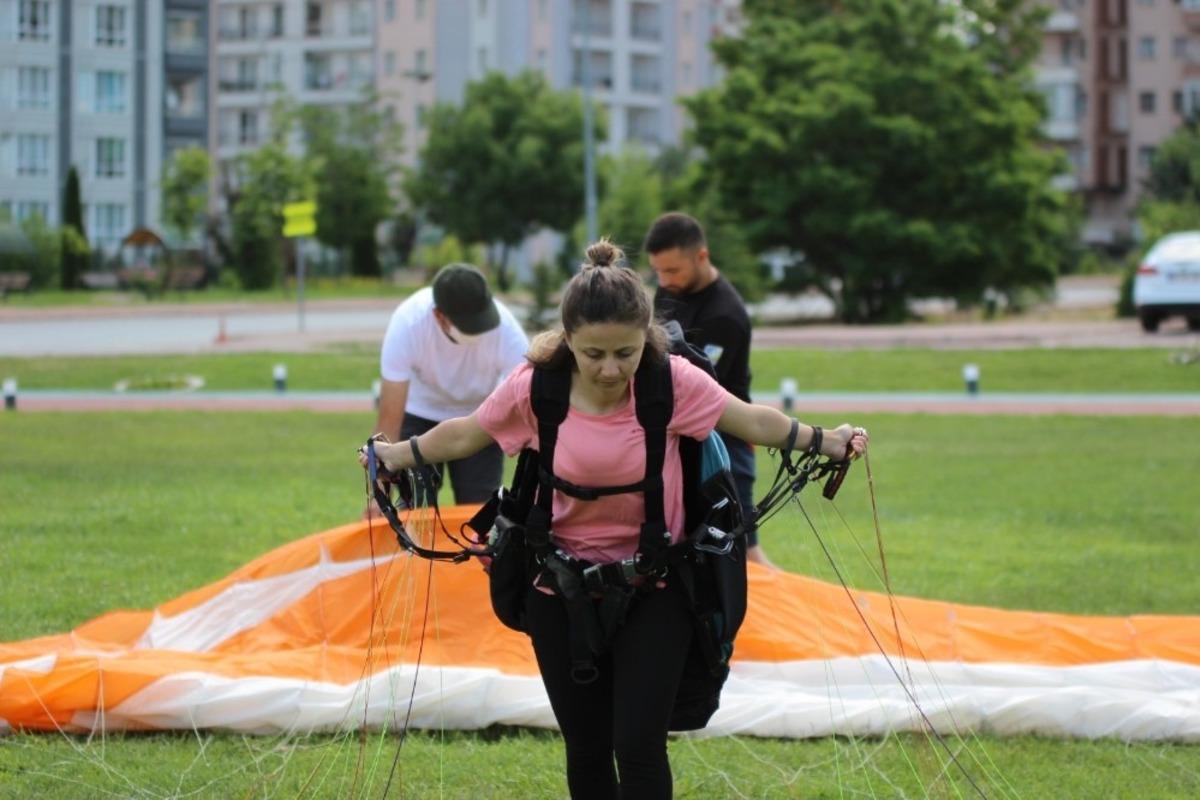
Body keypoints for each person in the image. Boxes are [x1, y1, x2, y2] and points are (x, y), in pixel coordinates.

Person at [363, 240, 868, 799]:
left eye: (625, 353)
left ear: (646, 337)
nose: (610, 369)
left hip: (658, 587)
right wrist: (394, 456)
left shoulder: (673, 383)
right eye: (593, 354)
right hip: (557, 589)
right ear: (569, 342)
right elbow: (464, 433)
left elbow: (752, 421)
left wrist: (828, 441)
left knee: (638, 743)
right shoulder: (536, 389)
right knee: (586, 744)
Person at [644, 212, 773, 567]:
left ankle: (802, 615)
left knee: (743, 552)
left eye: (672, 270)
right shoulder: (670, 289)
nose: (664, 280)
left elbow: (699, 389)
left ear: (702, 256)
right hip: (682, 436)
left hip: (726, 442)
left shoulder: (725, 316)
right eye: (658, 271)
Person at [370, 262, 528, 505]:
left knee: (480, 509)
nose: (479, 331)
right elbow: (388, 422)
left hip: (479, 417)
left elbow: (527, 401)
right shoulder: (408, 323)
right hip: (420, 413)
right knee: (413, 505)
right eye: (470, 325)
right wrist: (377, 493)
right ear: (439, 316)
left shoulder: (507, 330)